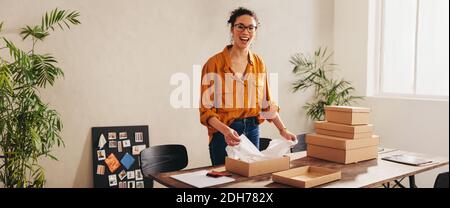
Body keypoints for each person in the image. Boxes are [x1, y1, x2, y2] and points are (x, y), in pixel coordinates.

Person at [199, 7, 296, 166]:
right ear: (232, 29)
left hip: (252, 130)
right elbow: (206, 111)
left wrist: (283, 130)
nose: (246, 32)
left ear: (255, 31)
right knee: (225, 181)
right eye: (240, 26)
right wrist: (225, 130)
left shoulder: (258, 63)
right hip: (225, 132)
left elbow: (266, 104)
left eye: (251, 28)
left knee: (251, 181)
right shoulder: (213, 64)